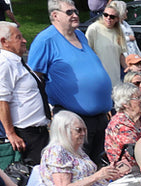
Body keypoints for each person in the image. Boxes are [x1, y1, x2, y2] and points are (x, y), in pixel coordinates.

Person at [29, 0, 114, 164]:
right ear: (55, 15)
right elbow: (35, 78)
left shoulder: (80, 35)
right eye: (69, 12)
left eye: (75, 11)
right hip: (74, 118)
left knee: (100, 162)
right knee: (79, 165)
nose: (75, 15)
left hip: (99, 116)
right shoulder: (46, 40)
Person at [0, 22, 48, 164]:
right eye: (18, 37)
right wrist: (10, 133)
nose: (24, 40)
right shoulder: (4, 64)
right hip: (26, 134)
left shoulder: (17, 61)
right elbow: (1, 101)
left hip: (39, 132)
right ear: (5, 42)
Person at [103, 81, 141, 166]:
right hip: (129, 169)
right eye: (137, 98)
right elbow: (134, 154)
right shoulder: (120, 124)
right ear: (125, 103)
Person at [85, 1, 128, 85]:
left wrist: (128, 70)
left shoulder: (119, 31)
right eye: (105, 15)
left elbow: (121, 55)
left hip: (115, 79)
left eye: (112, 16)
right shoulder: (94, 28)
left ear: (117, 19)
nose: (108, 18)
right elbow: (86, 53)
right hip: (99, 80)